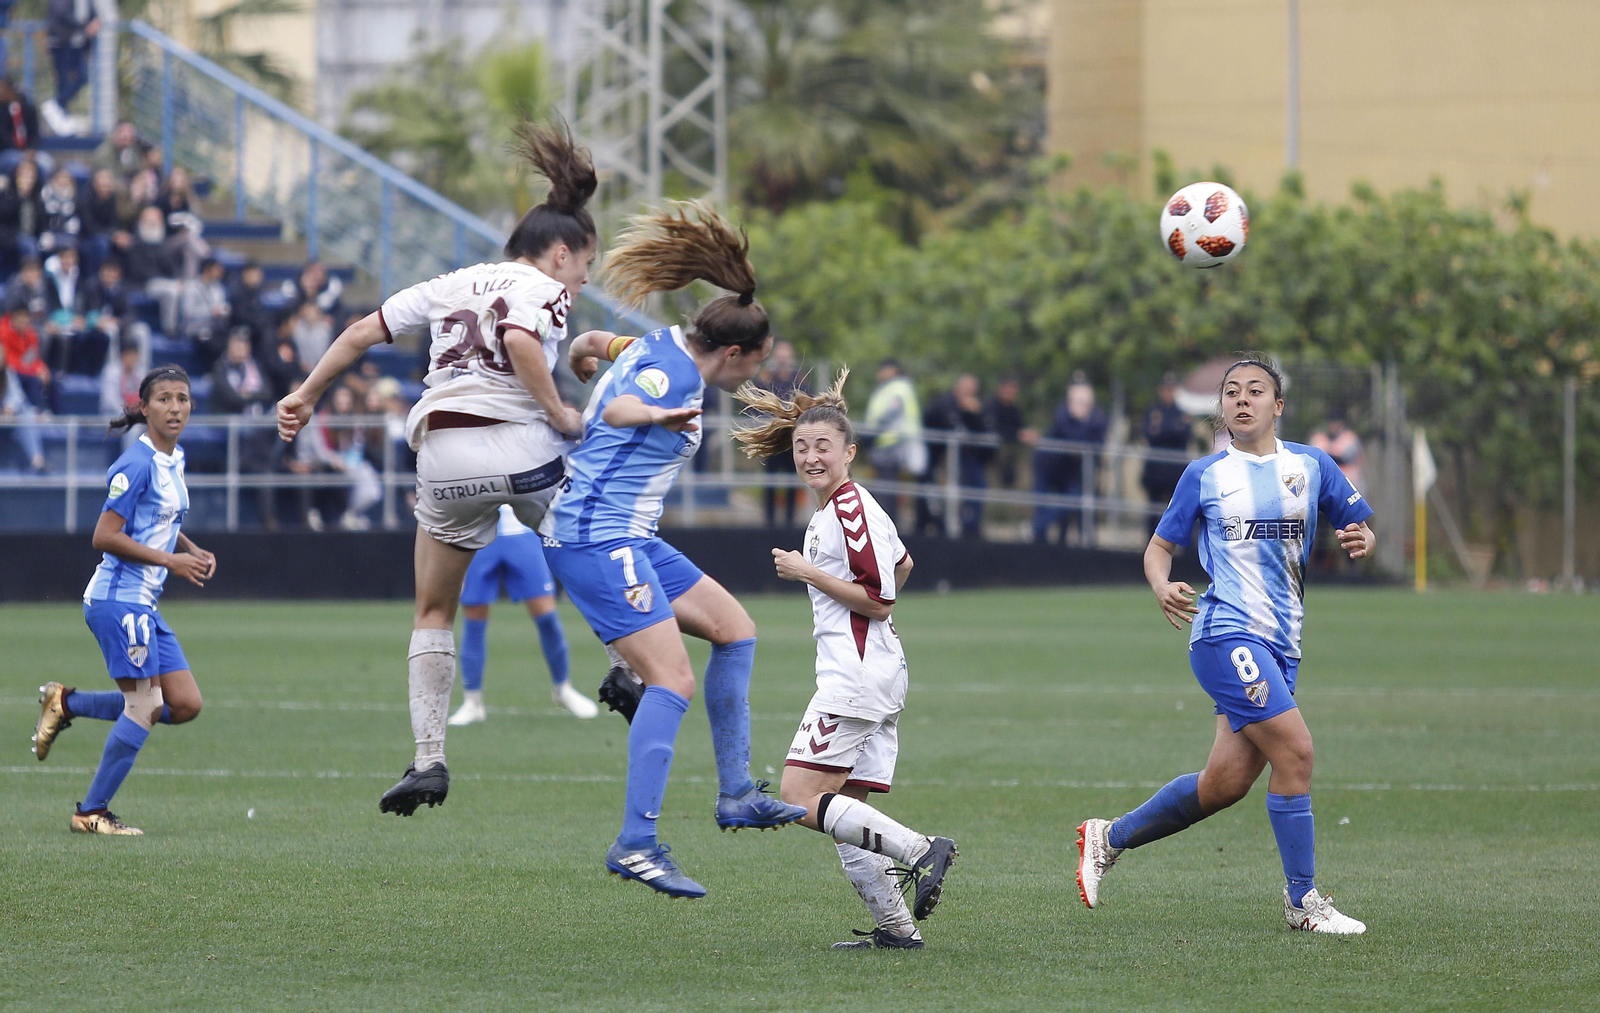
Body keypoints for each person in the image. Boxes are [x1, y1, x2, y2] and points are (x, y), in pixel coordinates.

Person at [277, 117, 595, 816]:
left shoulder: (451, 282)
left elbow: (361, 332)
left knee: (432, 609)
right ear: (561, 253)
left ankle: (428, 759)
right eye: (585, 265)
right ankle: (628, 668)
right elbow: (520, 339)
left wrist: (306, 393)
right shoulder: (547, 288)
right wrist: (560, 413)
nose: (582, 278)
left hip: (444, 457)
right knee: (603, 543)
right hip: (523, 447)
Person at [549, 199, 808, 898]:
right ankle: (635, 844)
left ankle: (736, 793)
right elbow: (621, 408)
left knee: (736, 629)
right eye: (753, 364)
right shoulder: (678, 379)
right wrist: (654, 412)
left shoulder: (656, 344)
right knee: (672, 681)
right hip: (595, 538)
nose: (751, 376)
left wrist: (580, 356)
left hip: (629, 536)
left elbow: (594, 341)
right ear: (733, 353)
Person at [1074, 356, 1376, 935]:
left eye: (1255, 390)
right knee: (1297, 753)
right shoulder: (1205, 474)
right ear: (1222, 408)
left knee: (1225, 784)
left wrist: (1363, 539)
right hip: (1225, 633)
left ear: (1277, 406)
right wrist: (1162, 585)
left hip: (1283, 643)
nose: (1242, 399)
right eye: (1232, 392)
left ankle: (1108, 837)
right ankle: (1303, 901)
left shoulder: (1312, 465)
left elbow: (1360, 524)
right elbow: (1158, 549)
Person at [732, 369, 958, 950]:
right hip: (875, 671)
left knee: (795, 797)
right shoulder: (843, 508)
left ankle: (920, 849)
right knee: (844, 810)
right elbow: (903, 565)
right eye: (801, 447)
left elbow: (880, 599)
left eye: (823, 447)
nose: (810, 457)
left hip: (855, 675)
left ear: (849, 452)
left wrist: (808, 572)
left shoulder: (850, 509)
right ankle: (897, 929)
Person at [29, 365, 216, 835]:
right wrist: (171, 561)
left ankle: (66, 702)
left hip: (142, 603)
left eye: (182, 398)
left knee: (185, 703)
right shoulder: (136, 463)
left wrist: (188, 547)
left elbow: (157, 516)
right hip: (118, 600)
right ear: (144, 407)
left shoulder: (174, 457)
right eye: (164, 399)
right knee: (145, 705)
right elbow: (104, 535)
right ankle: (91, 812)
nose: (175, 408)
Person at [446, 504, 597, 725]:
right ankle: (473, 701)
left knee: (546, 614)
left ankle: (563, 688)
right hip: (479, 532)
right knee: (474, 617)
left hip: (522, 530)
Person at [1032, 373, 1107, 545]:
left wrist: (1083, 419)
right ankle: (1038, 536)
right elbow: (1067, 436)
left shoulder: (1096, 416)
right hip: (1049, 466)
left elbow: (1094, 443)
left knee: (1070, 504)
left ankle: (1046, 533)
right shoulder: (1062, 411)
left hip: (1073, 471)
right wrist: (1079, 420)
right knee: (1045, 505)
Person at [750, 338, 807, 527]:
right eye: (780, 355)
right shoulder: (766, 379)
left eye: (786, 355)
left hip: (793, 439)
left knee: (793, 479)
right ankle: (769, 520)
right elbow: (755, 404)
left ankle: (790, 520)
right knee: (770, 479)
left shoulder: (799, 380)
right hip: (773, 437)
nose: (783, 359)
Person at [861, 359, 925, 527]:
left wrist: (871, 435)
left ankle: (886, 525)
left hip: (891, 444)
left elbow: (892, 413)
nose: (879, 373)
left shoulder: (898, 388)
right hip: (888, 443)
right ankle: (885, 523)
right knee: (885, 487)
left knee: (886, 489)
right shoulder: (893, 387)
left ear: (892, 370)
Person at [1140, 372, 1192, 534]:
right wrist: (1171, 430)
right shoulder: (1154, 411)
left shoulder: (1182, 412)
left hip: (1175, 473)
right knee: (1154, 513)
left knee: (1179, 512)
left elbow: (1185, 434)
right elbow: (1150, 435)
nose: (1168, 393)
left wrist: (1165, 430)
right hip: (1156, 472)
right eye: (1166, 389)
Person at [44, 0, 99, 135]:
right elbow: (62, 14)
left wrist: (94, 23)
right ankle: (58, 109)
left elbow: (92, 16)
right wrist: (85, 26)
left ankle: (58, 106)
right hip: (61, 44)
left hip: (77, 45)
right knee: (63, 82)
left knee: (82, 76)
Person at [180, 257, 230, 370]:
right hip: (195, 329)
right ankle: (212, 371)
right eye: (217, 269)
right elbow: (188, 313)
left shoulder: (218, 289)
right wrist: (210, 312)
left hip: (214, 328)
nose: (220, 272)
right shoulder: (192, 287)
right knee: (212, 345)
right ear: (207, 269)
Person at [984, 375, 1033, 490]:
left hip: (1010, 458)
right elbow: (992, 429)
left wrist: (1028, 434)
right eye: (1008, 388)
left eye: (1013, 388)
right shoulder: (990, 405)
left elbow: (1020, 428)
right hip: (990, 457)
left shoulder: (1014, 409)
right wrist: (1017, 435)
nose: (1011, 391)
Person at [0, 79, 42, 174]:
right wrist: (21, 152)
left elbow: (35, 133)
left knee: (45, 162)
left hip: (29, 151)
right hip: (7, 152)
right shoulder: (1, 111)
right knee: (15, 161)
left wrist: (31, 149)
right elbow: (3, 135)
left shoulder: (28, 109)